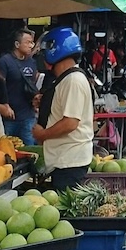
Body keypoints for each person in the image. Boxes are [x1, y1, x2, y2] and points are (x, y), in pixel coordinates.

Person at [32, 27, 94, 191]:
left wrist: (42, 135)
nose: (42, 57)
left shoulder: (73, 81)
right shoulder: (66, 79)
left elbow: (70, 123)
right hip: (64, 160)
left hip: (69, 162)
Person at [0, 28, 39, 142]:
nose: (31, 45)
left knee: (29, 149)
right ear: (17, 44)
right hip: (9, 116)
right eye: (28, 42)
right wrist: (5, 104)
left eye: (32, 42)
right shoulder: (5, 61)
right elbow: (0, 87)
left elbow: (33, 83)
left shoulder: (32, 62)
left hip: (28, 116)